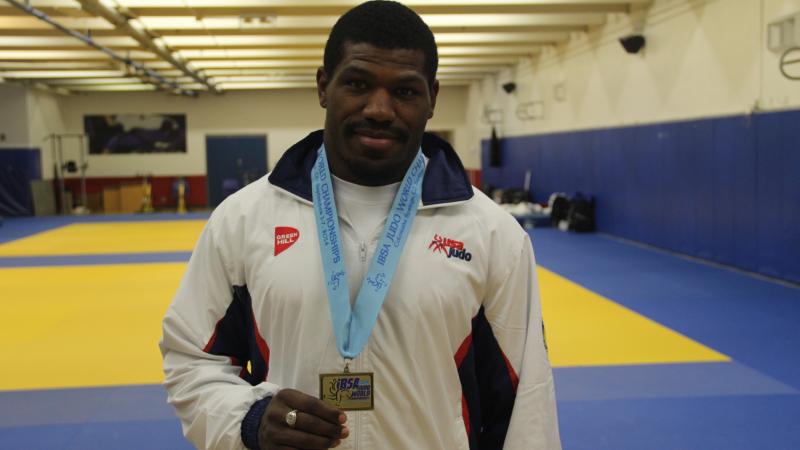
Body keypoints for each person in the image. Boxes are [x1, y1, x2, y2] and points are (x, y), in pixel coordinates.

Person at [160, 1, 561, 449]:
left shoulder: (491, 235)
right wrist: (246, 421)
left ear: (432, 98)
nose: (379, 109)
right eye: (357, 83)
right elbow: (192, 358)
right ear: (323, 87)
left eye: (405, 91)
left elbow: (527, 401)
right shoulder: (243, 220)